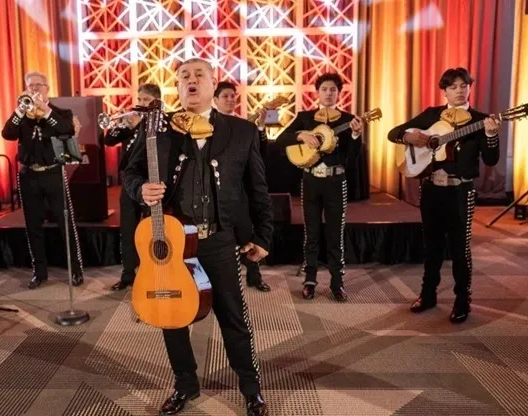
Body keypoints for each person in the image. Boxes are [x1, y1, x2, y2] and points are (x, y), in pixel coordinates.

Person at [123, 58, 272, 416]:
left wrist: (263, 235)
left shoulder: (241, 131)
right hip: (170, 243)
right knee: (172, 316)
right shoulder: (157, 129)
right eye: (183, 76)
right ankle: (185, 385)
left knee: (233, 318)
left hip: (219, 240)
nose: (191, 81)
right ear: (177, 86)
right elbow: (131, 171)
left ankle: (250, 388)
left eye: (198, 75)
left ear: (212, 82)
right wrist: (141, 189)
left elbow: (258, 189)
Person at [388, 67, 500, 323]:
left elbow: (491, 160)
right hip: (432, 189)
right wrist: (410, 137)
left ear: (470, 88)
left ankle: (463, 301)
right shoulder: (431, 115)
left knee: (461, 250)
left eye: (464, 85)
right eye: (453, 86)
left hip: (461, 191)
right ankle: (428, 295)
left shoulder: (480, 120)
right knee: (432, 246)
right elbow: (393, 133)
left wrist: (492, 135)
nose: (459, 91)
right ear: (445, 91)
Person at [276, 73, 362, 301]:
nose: (328, 93)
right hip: (311, 180)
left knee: (336, 234)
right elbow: (282, 139)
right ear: (317, 92)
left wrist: (354, 135)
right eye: (324, 89)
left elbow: (351, 159)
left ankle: (337, 282)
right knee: (311, 232)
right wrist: (302, 135)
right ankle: (310, 279)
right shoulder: (305, 117)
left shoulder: (348, 118)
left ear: (339, 93)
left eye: (333, 89)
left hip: (336, 181)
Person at [1, 71, 83, 289]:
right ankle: (40, 272)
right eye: (31, 85)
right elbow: (7, 133)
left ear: (47, 88)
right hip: (28, 175)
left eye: (39, 85)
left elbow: (66, 129)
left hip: (53, 172)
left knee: (65, 223)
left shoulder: (60, 112)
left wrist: (45, 111)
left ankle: (75, 269)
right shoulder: (22, 115)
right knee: (33, 226)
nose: (35, 89)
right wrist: (19, 110)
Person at [213, 81, 271, 292]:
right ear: (215, 100)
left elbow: (260, 157)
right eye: (225, 96)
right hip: (215, 195)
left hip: (241, 191)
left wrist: (262, 127)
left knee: (246, 233)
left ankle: (254, 277)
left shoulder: (245, 127)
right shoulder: (206, 126)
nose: (230, 100)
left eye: (232, 96)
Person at [104, 83, 161, 291]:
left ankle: (152, 272)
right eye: (140, 99)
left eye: (146, 100)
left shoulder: (159, 123)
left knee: (152, 230)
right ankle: (128, 274)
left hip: (152, 182)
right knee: (127, 228)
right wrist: (123, 125)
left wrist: (138, 125)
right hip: (130, 183)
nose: (141, 104)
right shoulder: (131, 122)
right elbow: (109, 140)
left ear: (156, 102)